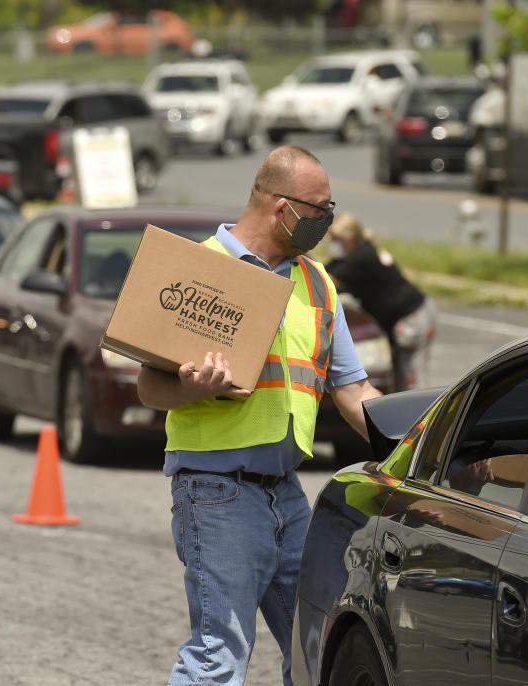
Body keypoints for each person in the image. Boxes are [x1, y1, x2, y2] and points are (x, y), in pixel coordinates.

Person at [136, 145, 382, 686]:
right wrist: (187, 385)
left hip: (286, 496)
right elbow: (149, 388)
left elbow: (352, 388)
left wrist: (416, 446)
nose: (327, 220)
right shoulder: (201, 272)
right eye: (318, 208)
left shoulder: (317, 283)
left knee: (317, 647)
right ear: (279, 205)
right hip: (215, 491)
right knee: (218, 656)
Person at [324, 213, 437, 389]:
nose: (333, 244)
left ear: (350, 238)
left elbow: (325, 280)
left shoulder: (362, 257)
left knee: (412, 377)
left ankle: (425, 415)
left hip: (412, 317)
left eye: (336, 239)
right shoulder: (354, 254)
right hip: (410, 315)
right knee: (400, 377)